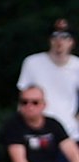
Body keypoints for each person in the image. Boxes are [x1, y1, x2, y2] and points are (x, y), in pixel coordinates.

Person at [17, 18, 79, 146]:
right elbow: (23, 97)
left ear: (72, 42)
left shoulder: (77, 65)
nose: (59, 42)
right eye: (55, 37)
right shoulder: (32, 63)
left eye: (65, 37)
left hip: (70, 133)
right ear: (49, 40)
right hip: (38, 132)